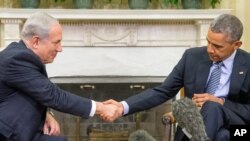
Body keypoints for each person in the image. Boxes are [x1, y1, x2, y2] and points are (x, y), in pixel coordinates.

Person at [103, 13, 250, 141]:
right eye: (208, 42)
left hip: (238, 131)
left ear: (236, 44)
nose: (209, 50)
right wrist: (123, 106)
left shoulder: (247, 64)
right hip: (196, 128)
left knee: (213, 108)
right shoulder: (192, 57)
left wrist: (221, 102)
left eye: (217, 46)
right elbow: (163, 91)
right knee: (220, 136)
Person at [0, 12, 120, 141]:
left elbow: (36, 91)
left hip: (24, 130)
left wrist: (47, 114)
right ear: (35, 41)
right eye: (56, 42)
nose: (60, 49)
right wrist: (100, 108)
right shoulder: (17, 59)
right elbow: (52, 95)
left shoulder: (26, 55)